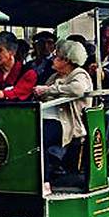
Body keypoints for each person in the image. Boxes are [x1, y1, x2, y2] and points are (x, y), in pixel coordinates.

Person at [33, 40, 93, 192]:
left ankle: (45, 182)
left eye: (57, 57)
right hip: (47, 117)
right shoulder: (54, 76)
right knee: (30, 133)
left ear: (66, 60)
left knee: (40, 138)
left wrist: (49, 90)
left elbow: (78, 89)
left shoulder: (79, 74)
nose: (53, 59)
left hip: (67, 123)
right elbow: (44, 93)